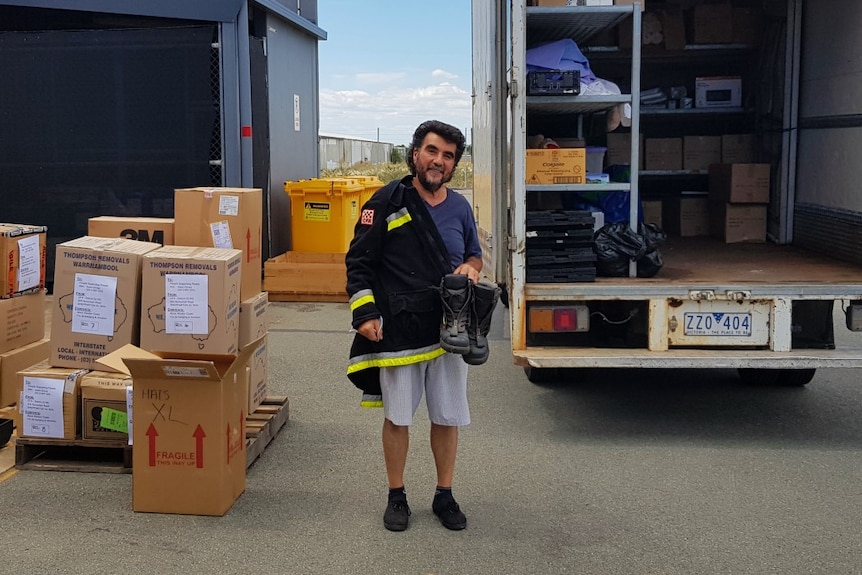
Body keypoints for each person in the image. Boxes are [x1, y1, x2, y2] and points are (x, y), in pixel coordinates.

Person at [345, 120, 482, 532]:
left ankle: (444, 495)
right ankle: (397, 496)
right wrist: (365, 314)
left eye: (448, 155)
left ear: (454, 163)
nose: (439, 161)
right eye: (432, 151)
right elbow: (359, 263)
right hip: (400, 331)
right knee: (398, 418)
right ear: (415, 154)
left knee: (447, 416)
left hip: (450, 329)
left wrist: (472, 270)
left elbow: (475, 256)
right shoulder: (384, 202)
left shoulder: (460, 207)